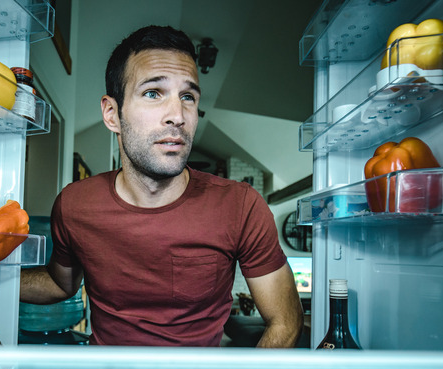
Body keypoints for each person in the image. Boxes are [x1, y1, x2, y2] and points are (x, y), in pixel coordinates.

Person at [20, 25, 303, 348]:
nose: (177, 116)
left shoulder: (241, 206)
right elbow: (61, 284)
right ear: (112, 114)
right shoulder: (74, 205)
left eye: (188, 97)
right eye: (153, 93)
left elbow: (285, 320)